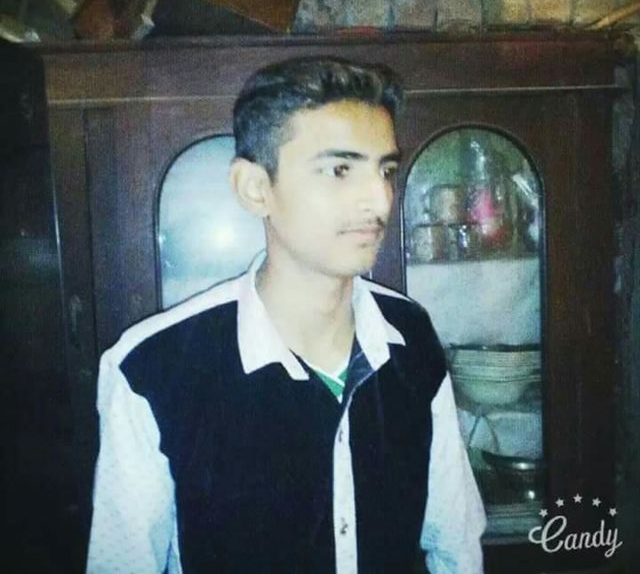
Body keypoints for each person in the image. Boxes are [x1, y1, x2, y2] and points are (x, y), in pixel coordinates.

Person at [86, 57, 486, 573]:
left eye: (385, 170)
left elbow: (455, 540)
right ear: (256, 188)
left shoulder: (411, 336)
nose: (380, 199)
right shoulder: (154, 370)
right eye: (339, 169)